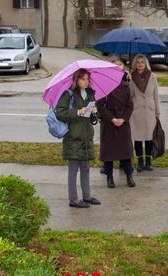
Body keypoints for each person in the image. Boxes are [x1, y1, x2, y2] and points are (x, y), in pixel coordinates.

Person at [55, 68, 101, 208]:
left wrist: (94, 113)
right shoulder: (68, 94)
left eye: (87, 79)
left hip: (86, 137)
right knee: (73, 170)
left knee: (86, 169)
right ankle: (73, 200)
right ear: (76, 80)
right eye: (83, 79)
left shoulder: (90, 94)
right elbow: (60, 112)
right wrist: (77, 111)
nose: (86, 82)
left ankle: (86, 196)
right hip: (73, 137)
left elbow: (94, 120)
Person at [97, 59, 135, 188]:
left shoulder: (126, 86)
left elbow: (130, 106)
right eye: (115, 66)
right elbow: (100, 106)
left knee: (125, 151)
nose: (118, 69)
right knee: (109, 152)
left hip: (123, 123)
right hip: (109, 123)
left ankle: (129, 175)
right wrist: (112, 118)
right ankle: (109, 176)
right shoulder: (103, 86)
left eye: (120, 66)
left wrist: (124, 119)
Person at [129, 54, 160, 172]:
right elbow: (130, 95)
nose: (140, 64)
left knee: (149, 137)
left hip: (149, 111)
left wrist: (157, 111)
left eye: (142, 62)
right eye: (138, 62)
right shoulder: (131, 77)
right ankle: (140, 161)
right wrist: (127, 83)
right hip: (136, 111)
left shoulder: (152, 76)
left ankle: (148, 161)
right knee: (137, 137)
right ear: (135, 64)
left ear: (146, 63)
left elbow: (156, 95)